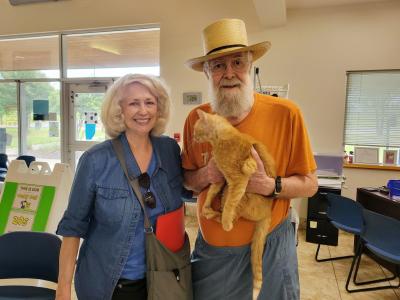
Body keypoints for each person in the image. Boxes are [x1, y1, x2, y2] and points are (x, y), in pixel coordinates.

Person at [182, 18, 318, 300]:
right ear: (207, 73)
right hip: (214, 253)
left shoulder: (286, 114)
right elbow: (187, 182)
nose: (229, 73)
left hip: (271, 245)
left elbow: (309, 184)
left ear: (250, 66)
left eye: (237, 62)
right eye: (218, 66)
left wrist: (269, 185)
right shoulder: (197, 119)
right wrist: (207, 175)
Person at [56, 74, 185, 300]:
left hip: (163, 278)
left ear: (159, 107)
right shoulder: (96, 160)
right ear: (119, 110)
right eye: (133, 103)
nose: (143, 111)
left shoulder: (169, 150)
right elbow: (73, 227)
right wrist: (63, 289)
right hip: (113, 285)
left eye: (149, 102)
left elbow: (184, 190)